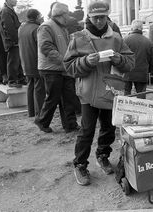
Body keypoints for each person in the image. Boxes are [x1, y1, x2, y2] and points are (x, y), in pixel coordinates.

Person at [63, 0, 134, 186]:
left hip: (111, 92)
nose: (100, 21)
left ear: (107, 16)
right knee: (86, 130)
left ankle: (102, 154)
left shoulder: (117, 38)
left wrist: (118, 58)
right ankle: (80, 164)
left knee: (109, 128)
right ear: (89, 17)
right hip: (88, 94)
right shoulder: (78, 38)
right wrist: (86, 61)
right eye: (96, 18)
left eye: (103, 17)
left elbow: (130, 63)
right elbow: (69, 67)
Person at [35, 2, 80, 133]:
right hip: (51, 69)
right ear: (61, 14)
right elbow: (46, 47)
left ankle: (70, 125)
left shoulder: (62, 27)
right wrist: (65, 61)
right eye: (67, 13)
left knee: (68, 97)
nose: (69, 16)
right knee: (53, 97)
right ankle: (42, 121)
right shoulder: (46, 27)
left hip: (62, 68)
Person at [18, 9, 45, 118]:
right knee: (39, 89)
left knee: (30, 86)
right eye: (40, 16)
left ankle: (31, 112)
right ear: (36, 17)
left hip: (25, 61)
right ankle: (40, 114)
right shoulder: (37, 29)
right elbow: (41, 47)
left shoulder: (21, 28)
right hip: (35, 62)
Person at [123, 19, 153, 98]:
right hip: (142, 72)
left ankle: (127, 110)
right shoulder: (148, 42)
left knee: (127, 94)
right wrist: (149, 70)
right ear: (142, 28)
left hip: (127, 72)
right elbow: (152, 59)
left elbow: (121, 56)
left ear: (132, 28)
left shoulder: (125, 40)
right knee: (141, 96)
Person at [0, 0, 26, 88]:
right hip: (12, 42)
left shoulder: (9, 10)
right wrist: (16, 40)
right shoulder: (6, 11)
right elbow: (9, 28)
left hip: (13, 41)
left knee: (17, 62)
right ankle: (12, 81)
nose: (16, 0)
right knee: (13, 61)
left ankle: (20, 79)